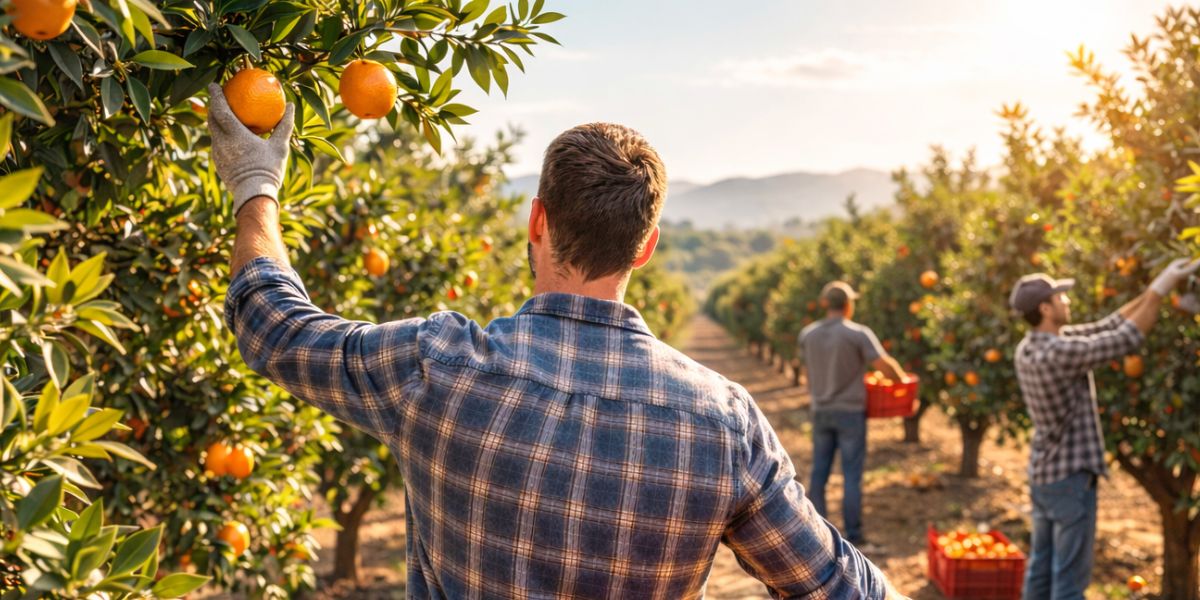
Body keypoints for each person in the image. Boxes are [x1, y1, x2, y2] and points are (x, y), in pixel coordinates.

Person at [205, 86, 904, 598]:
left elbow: (275, 328)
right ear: (646, 248)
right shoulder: (722, 425)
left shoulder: (436, 367)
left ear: (537, 221)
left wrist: (254, 182)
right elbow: (841, 588)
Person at [1010, 260, 1200, 600]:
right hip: (1070, 480)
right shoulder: (1058, 353)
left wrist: (1153, 290)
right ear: (1045, 308)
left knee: (1040, 568)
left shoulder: (1031, 347)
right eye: (1060, 297)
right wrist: (1161, 290)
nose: (1067, 300)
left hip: (1044, 476)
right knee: (1069, 583)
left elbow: (1108, 324)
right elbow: (1125, 338)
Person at [798, 281, 907, 548]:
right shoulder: (858, 333)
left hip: (821, 410)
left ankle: (817, 536)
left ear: (825, 304)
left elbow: (806, 373)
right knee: (851, 475)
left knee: (819, 472)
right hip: (850, 413)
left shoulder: (808, 335)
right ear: (848, 305)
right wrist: (903, 382)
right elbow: (883, 365)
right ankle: (854, 535)